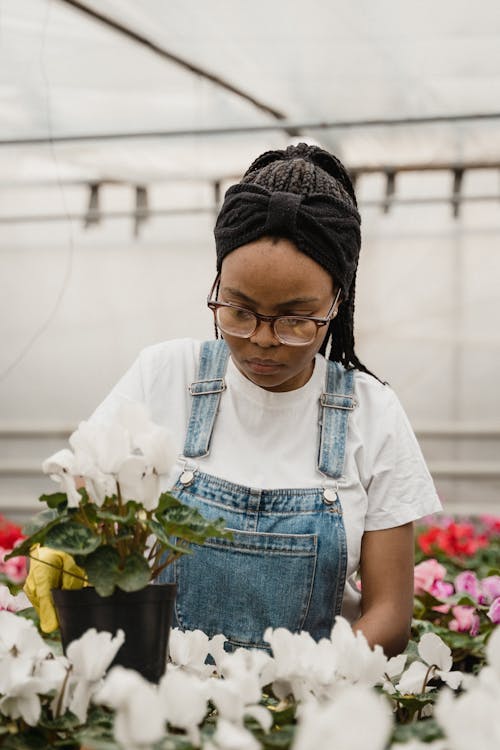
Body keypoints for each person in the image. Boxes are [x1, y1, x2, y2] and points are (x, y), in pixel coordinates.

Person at [27, 143, 441, 656]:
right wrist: (62, 548)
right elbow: (86, 494)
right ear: (217, 284)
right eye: (239, 311)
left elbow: (390, 617)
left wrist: (297, 683)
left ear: (339, 301)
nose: (264, 339)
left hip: (305, 711)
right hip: (161, 704)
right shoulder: (163, 376)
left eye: (295, 319)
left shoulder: (373, 414)